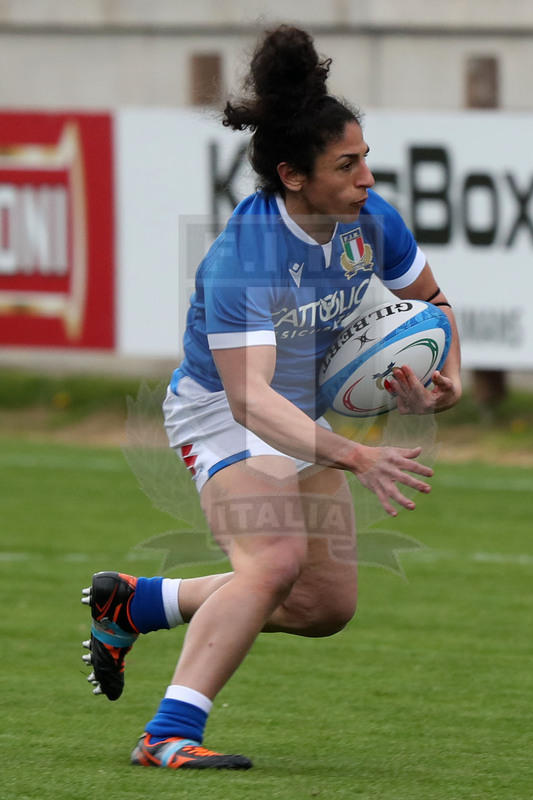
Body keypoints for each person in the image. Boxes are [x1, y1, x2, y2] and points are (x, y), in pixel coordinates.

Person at [81, 25, 461, 771]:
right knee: (273, 559)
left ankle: (136, 603)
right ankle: (167, 733)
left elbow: (436, 303)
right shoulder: (244, 258)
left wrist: (443, 377)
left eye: (365, 160)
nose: (367, 180)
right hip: (220, 410)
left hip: (296, 409)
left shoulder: (368, 222)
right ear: (293, 175)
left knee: (324, 607)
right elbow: (250, 401)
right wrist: (356, 454)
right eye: (347, 166)